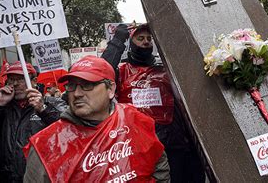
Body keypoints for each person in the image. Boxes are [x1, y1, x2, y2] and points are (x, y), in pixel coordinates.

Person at [23, 56, 169, 182]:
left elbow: (159, 165)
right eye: (72, 86)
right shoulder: (47, 144)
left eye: (87, 85)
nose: (77, 93)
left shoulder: (136, 120)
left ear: (111, 89)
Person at [102, 24, 205, 182]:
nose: (146, 42)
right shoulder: (121, 72)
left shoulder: (166, 69)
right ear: (131, 42)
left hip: (173, 145)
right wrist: (117, 41)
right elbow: (101, 72)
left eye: (149, 39)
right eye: (140, 38)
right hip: (137, 146)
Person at [0, 61, 65, 182]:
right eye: (10, 79)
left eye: (20, 79)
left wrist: (43, 110)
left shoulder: (52, 103)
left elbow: (68, 133)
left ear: (34, 81)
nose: (14, 84)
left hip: (41, 178)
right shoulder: (3, 107)